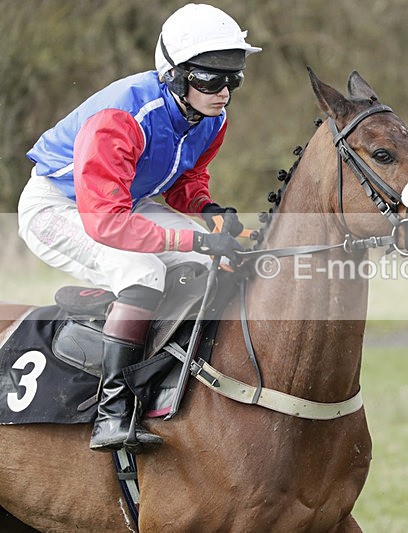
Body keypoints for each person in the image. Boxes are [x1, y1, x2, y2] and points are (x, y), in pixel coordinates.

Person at [17, 3, 261, 452]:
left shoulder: (211, 116)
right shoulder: (120, 119)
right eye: (209, 79)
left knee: (204, 261)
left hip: (127, 202)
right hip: (58, 207)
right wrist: (197, 235)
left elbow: (185, 177)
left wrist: (209, 209)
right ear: (173, 75)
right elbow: (108, 223)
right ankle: (112, 411)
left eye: (233, 78)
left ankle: (176, 375)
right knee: (144, 272)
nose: (223, 92)